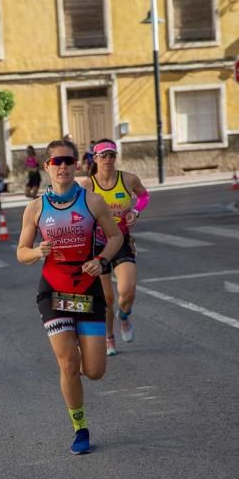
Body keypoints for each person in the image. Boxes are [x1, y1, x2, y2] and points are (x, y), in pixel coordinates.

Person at [17, 139, 122, 455]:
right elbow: (21, 251)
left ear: (77, 164)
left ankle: (83, 357)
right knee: (68, 363)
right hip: (52, 290)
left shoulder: (92, 201)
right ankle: (80, 428)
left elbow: (115, 237)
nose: (62, 167)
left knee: (94, 371)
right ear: (46, 166)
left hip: (87, 289)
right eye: (56, 161)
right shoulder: (35, 207)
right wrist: (37, 251)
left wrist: (102, 260)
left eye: (68, 161)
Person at [80, 139, 150, 356]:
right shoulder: (87, 185)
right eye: (103, 155)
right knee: (107, 298)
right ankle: (109, 337)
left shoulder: (128, 179)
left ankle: (125, 316)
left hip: (120, 240)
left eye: (112, 155)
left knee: (127, 290)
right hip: (97, 246)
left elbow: (144, 195)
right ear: (95, 158)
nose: (108, 159)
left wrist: (135, 212)